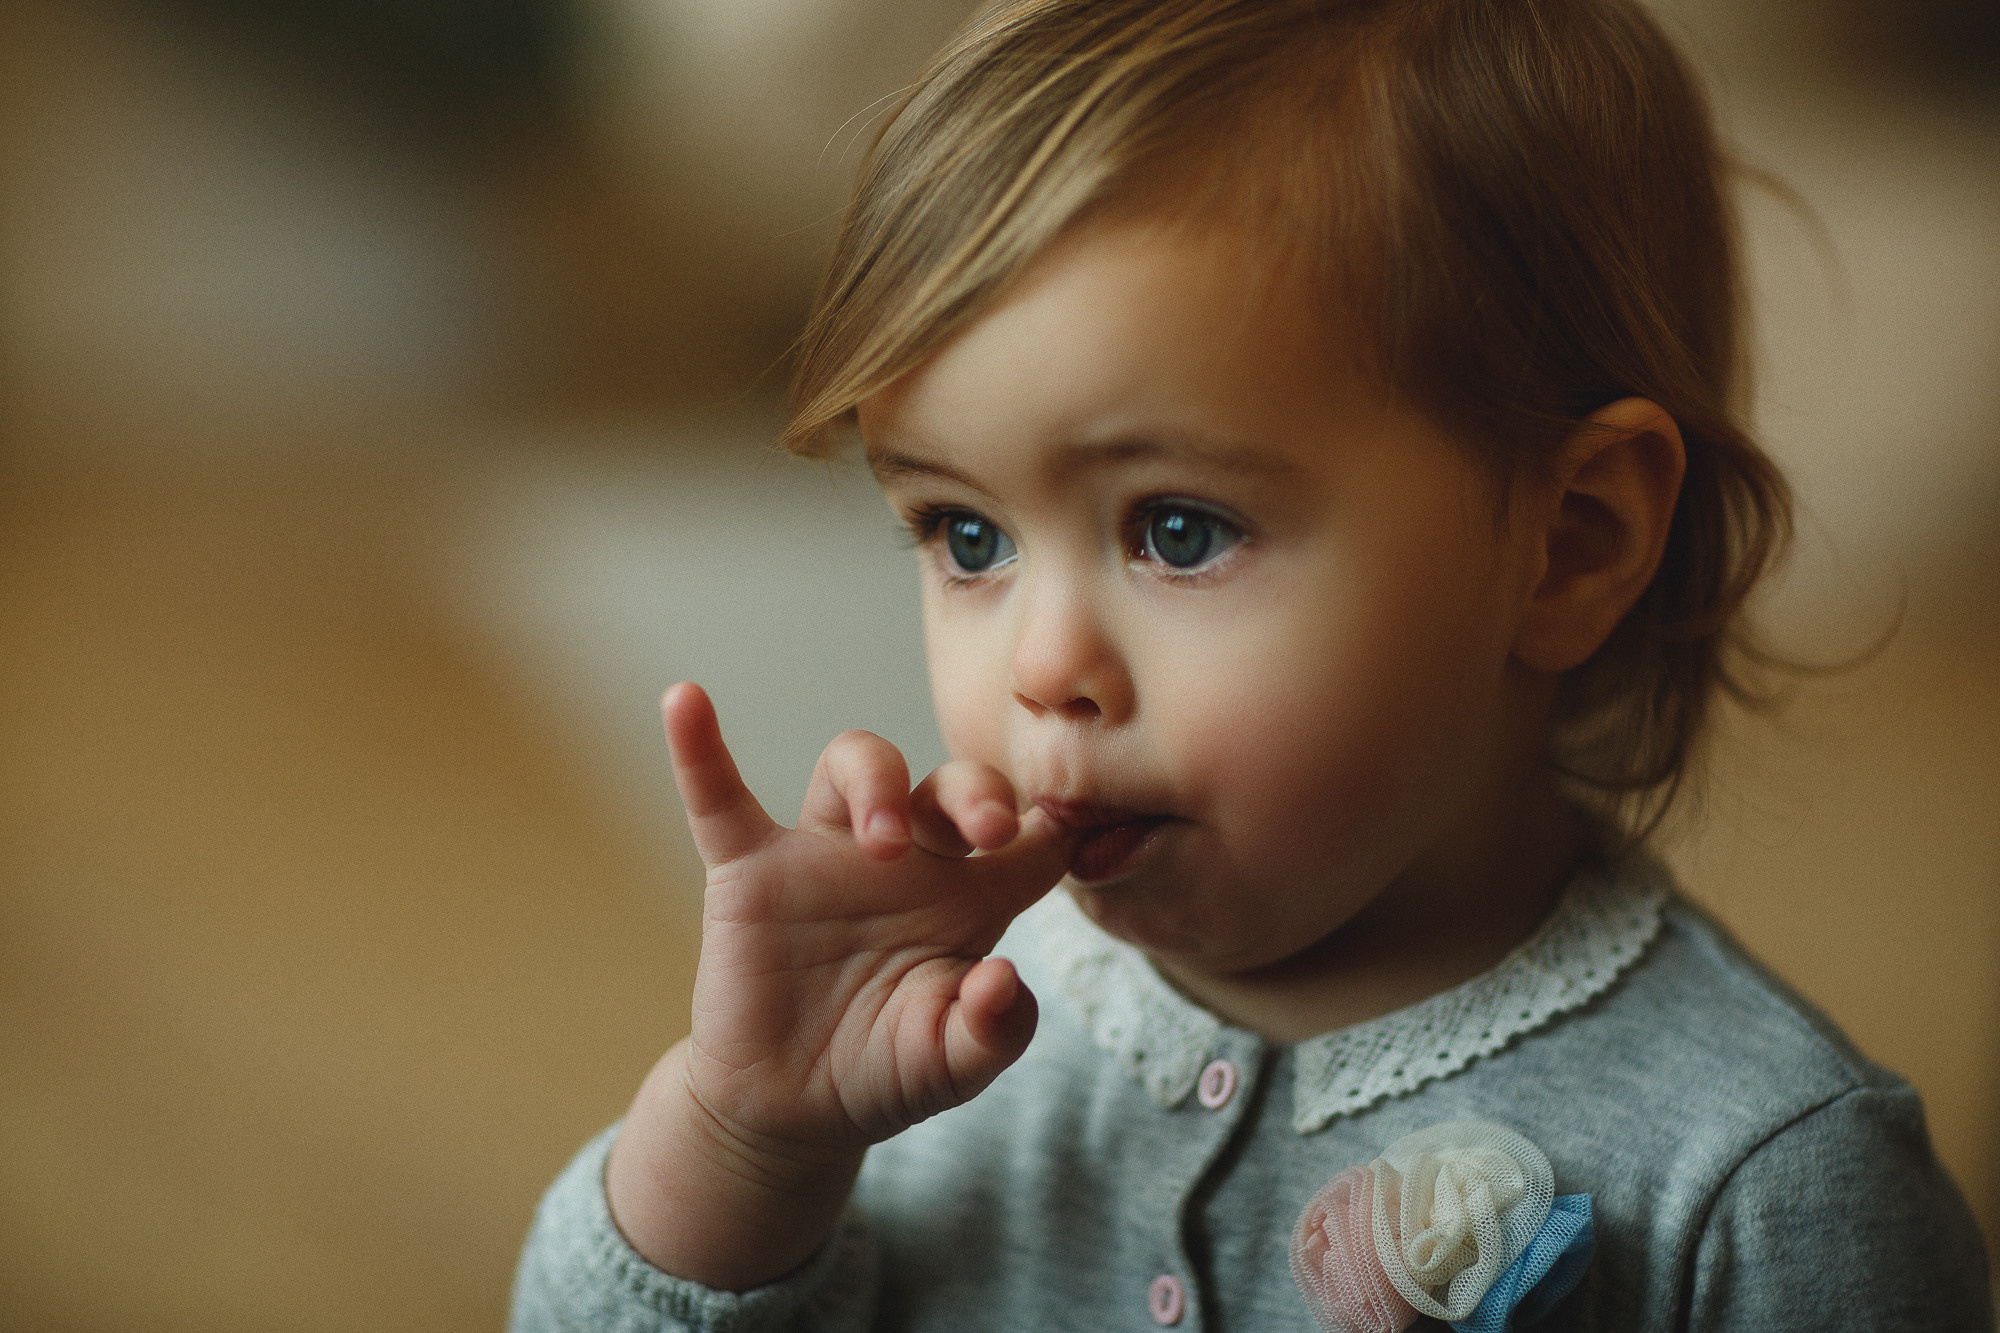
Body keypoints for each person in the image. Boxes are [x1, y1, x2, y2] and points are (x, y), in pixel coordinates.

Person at [510, 1, 1994, 1328]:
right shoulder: (938, 1039)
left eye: (1177, 527)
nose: (1044, 666)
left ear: (1570, 545)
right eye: (965, 535)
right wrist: (743, 1138)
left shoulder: (1760, 1176)